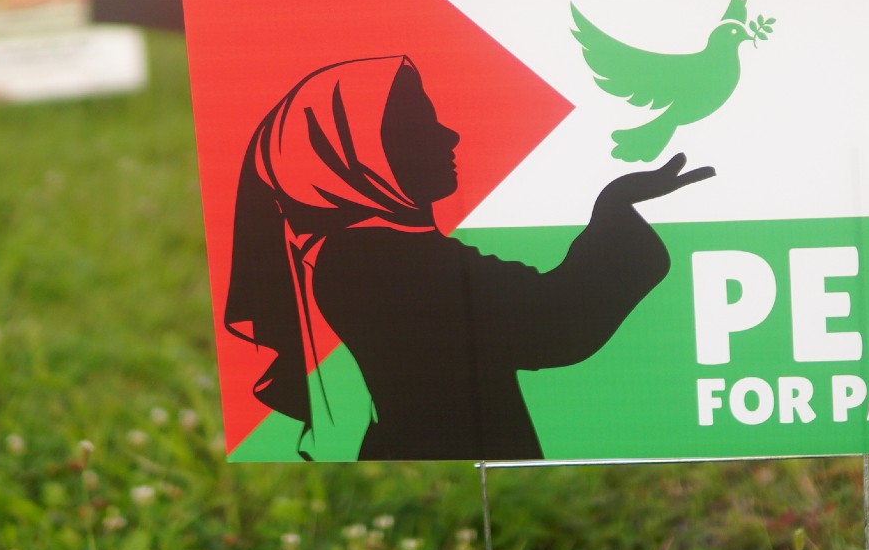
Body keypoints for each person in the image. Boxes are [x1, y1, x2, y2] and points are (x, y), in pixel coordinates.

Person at [226, 56, 712, 460]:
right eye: (416, 126)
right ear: (356, 152)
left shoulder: (358, 252)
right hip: (447, 457)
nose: (448, 136)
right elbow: (554, 323)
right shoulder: (385, 258)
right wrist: (614, 211)